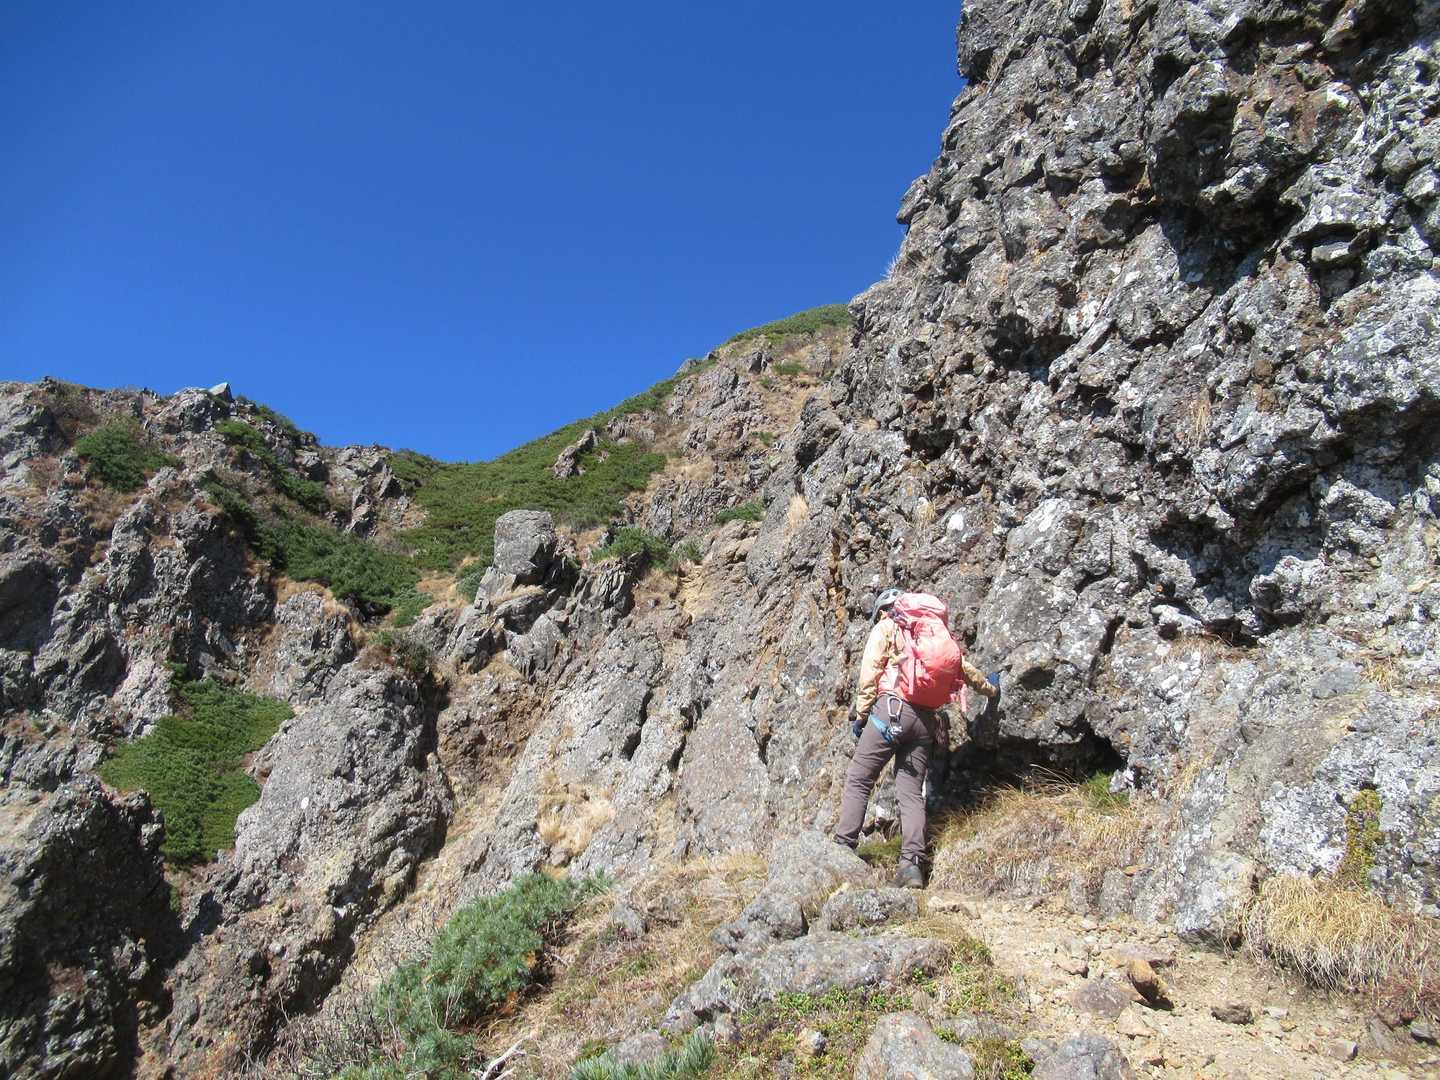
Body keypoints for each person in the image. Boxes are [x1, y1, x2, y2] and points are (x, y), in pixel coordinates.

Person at [834, 587, 999, 888]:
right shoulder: (930, 634)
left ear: (883, 611)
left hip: (891, 712)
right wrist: (991, 689)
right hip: (924, 722)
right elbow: (963, 669)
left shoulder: (887, 627)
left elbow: (870, 671)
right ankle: (912, 865)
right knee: (910, 793)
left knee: (859, 778)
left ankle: (843, 847)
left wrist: (862, 714)